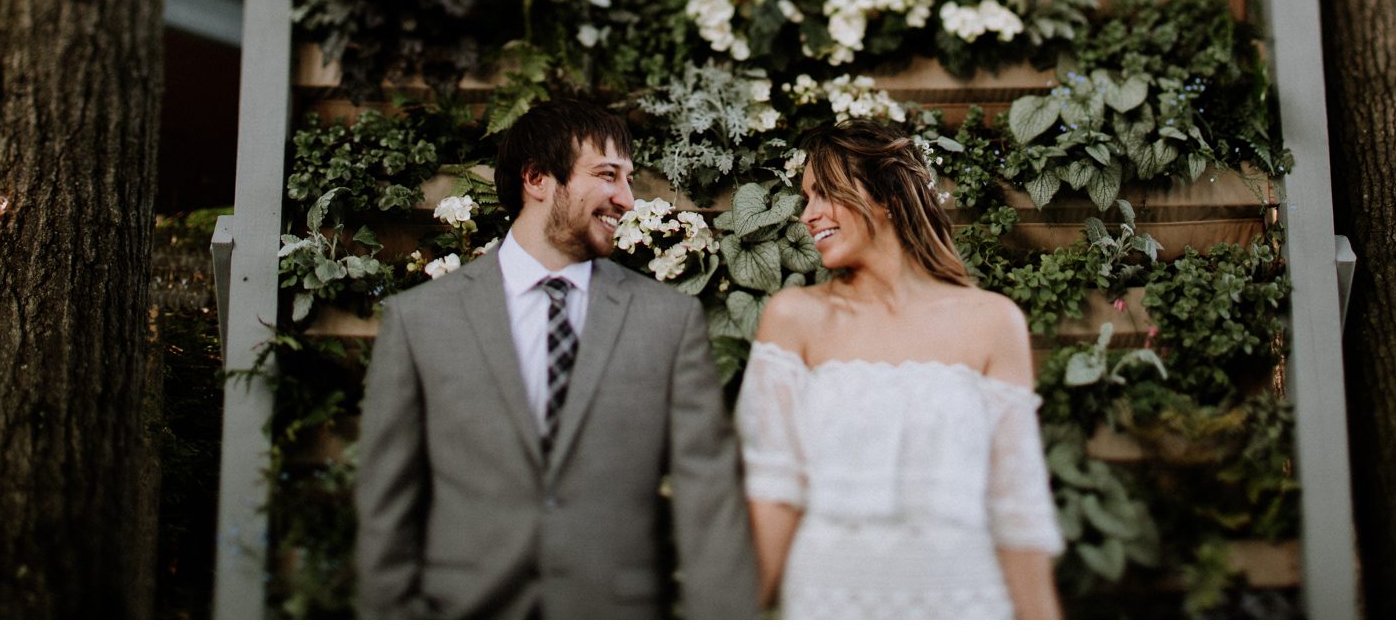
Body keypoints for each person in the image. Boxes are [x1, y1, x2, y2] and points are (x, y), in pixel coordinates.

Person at [353, 99, 758, 618]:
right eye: (608, 175)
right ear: (537, 178)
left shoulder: (668, 321)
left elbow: (709, 501)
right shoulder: (420, 321)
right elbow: (386, 508)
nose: (627, 198)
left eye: (628, 178)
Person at [736, 119, 1067, 619]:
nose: (808, 215)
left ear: (889, 196)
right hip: (827, 604)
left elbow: (1018, 508)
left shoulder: (993, 323)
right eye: (807, 198)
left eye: (825, 193)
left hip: (965, 604)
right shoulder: (794, 319)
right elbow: (774, 494)